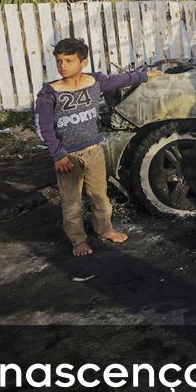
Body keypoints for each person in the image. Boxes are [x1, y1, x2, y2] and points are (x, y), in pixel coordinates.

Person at [35, 38, 162, 256]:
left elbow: (119, 80)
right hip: (68, 157)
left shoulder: (94, 82)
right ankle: (78, 240)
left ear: (83, 62)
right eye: (59, 61)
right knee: (72, 201)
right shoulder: (49, 94)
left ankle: (105, 230)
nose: (62, 65)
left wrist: (144, 75)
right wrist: (58, 155)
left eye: (68, 60)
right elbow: (42, 127)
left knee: (99, 195)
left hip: (94, 151)